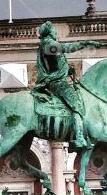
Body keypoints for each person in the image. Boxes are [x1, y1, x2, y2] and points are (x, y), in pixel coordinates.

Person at [33, 21, 103, 149]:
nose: (55, 32)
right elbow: (67, 48)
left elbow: (55, 64)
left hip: (56, 80)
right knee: (77, 104)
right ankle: (79, 138)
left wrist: (66, 70)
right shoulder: (49, 44)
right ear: (49, 32)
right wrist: (86, 43)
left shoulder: (45, 45)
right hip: (57, 83)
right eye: (54, 30)